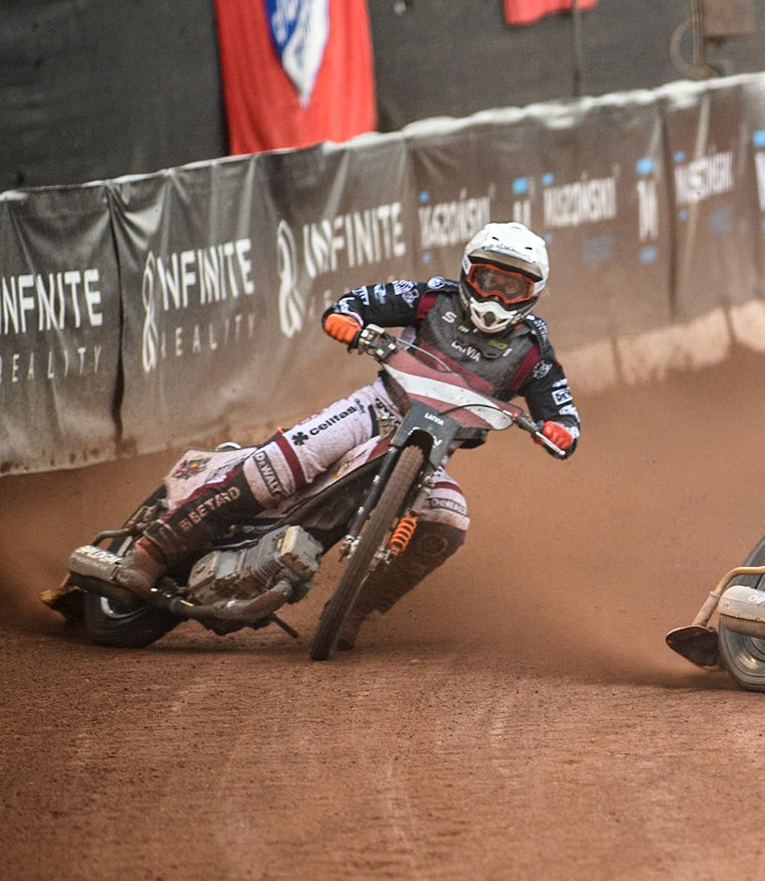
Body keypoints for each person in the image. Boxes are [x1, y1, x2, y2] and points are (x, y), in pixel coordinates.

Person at [109, 221, 581, 630]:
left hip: (432, 450)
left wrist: (562, 430)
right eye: (488, 278)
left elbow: (561, 412)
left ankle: (357, 608)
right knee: (284, 465)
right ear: (467, 271)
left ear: (532, 293)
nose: (495, 296)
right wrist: (347, 321)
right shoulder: (429, 299)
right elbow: (354, 303)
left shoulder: (532, 352)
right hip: (374, 411)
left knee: (449, 521)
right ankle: (152, 549)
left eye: (511, 287)